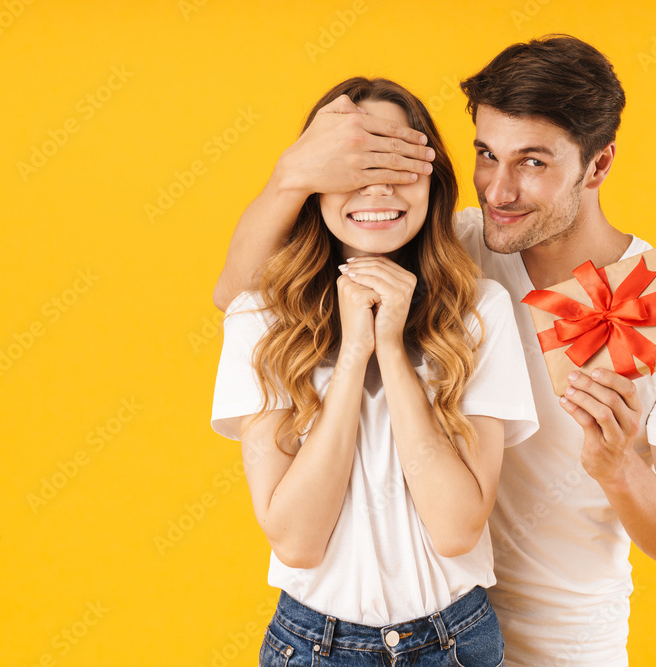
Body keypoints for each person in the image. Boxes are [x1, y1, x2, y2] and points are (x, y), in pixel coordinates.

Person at [212, 36, 656, 666]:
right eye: (488, 155)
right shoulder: (456, 251)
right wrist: (292, 174)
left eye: (534, 163)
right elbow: (247, 299)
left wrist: (620, 471)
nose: (499, 190)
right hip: (424, 620)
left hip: (566, 644)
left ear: (598, 166)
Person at [210, 76, 537, 666]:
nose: (377, 187)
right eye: (354, 167)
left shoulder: (479, 309)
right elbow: (296, 540)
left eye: (398, 163)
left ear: (432, 183)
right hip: (313, 647)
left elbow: (457, 528)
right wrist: (354, 349)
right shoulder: (260, 319)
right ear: (316, 185)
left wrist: (390, 345)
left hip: (455, 643)